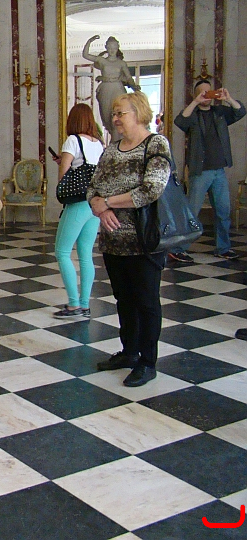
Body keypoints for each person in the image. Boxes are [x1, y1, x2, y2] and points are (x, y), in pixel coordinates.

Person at [88, 91, 171, 387]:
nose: (115, 118)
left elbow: (151, 189)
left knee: (146, 302)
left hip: (143, 241)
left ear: (138, 113)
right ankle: (129, 352)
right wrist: (98, 205)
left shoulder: (155, 144)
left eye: (120, 113)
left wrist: (108, 202)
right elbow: (93, 187)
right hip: (113, 242)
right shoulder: (111, 149)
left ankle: (148, 362)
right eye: (114, 113)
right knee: (123, 299)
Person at [168, 81, 245, 263]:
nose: (206, 95)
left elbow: (240, 111)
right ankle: (178, 248)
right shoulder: (193, 115)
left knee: (223, 212)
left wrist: (228, 98)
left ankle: (223, 248)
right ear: (196, 94)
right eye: (202, 92)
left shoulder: (220, 112)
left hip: (219, 170)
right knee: (192, 212)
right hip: (200, 171)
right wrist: (195, 102)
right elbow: (179, 121)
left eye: (208, 91)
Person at [53, 104, 105, 318]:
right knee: (85, 254)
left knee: (62, 251)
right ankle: (84, 304)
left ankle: (74, 304)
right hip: (94, 204)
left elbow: (63, 174)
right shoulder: (99, 143)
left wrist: (62, 163)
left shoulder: (72, 140)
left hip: (77, 203)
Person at [82, 35, 140, 140]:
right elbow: (85, 55)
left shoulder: (121, 63)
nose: (112, 50)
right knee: (107, 117)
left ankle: (117, 142)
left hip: (118, 89)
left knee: (118, 116)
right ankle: (114, 140)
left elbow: (128, 77)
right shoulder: (102, 60)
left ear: (117, 48)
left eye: (114, 48)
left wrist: (134, 87)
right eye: (110, 48)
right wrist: (90, 41)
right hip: (105, 89)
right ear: (106, 48)